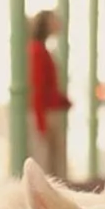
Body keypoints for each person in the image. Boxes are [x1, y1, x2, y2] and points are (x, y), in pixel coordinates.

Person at [28, 10, 72, 179]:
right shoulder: (38, 51)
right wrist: (41, 122)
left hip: (48, 112)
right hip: (46, 114)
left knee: (53, 162)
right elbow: (38, 87)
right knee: (47, 162)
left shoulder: (42, 50)